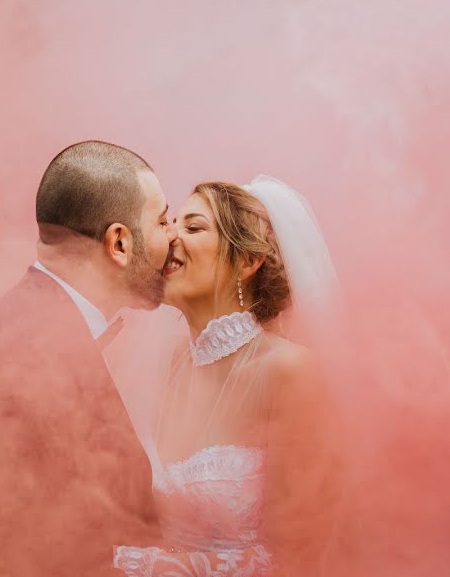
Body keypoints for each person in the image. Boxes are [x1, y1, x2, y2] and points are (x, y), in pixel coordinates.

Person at [0, 140, 177, 576]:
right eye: (163, 220)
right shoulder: (19, 353)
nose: (173, 236)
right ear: (119, 243)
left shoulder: (36, 326)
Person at [113, 177, 345, 577]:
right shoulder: (171, 364)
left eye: (194, 227)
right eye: (171, 224)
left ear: (247, 261)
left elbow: (302, 553)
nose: (170, 239)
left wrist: (154, 569)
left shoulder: (289, 371)